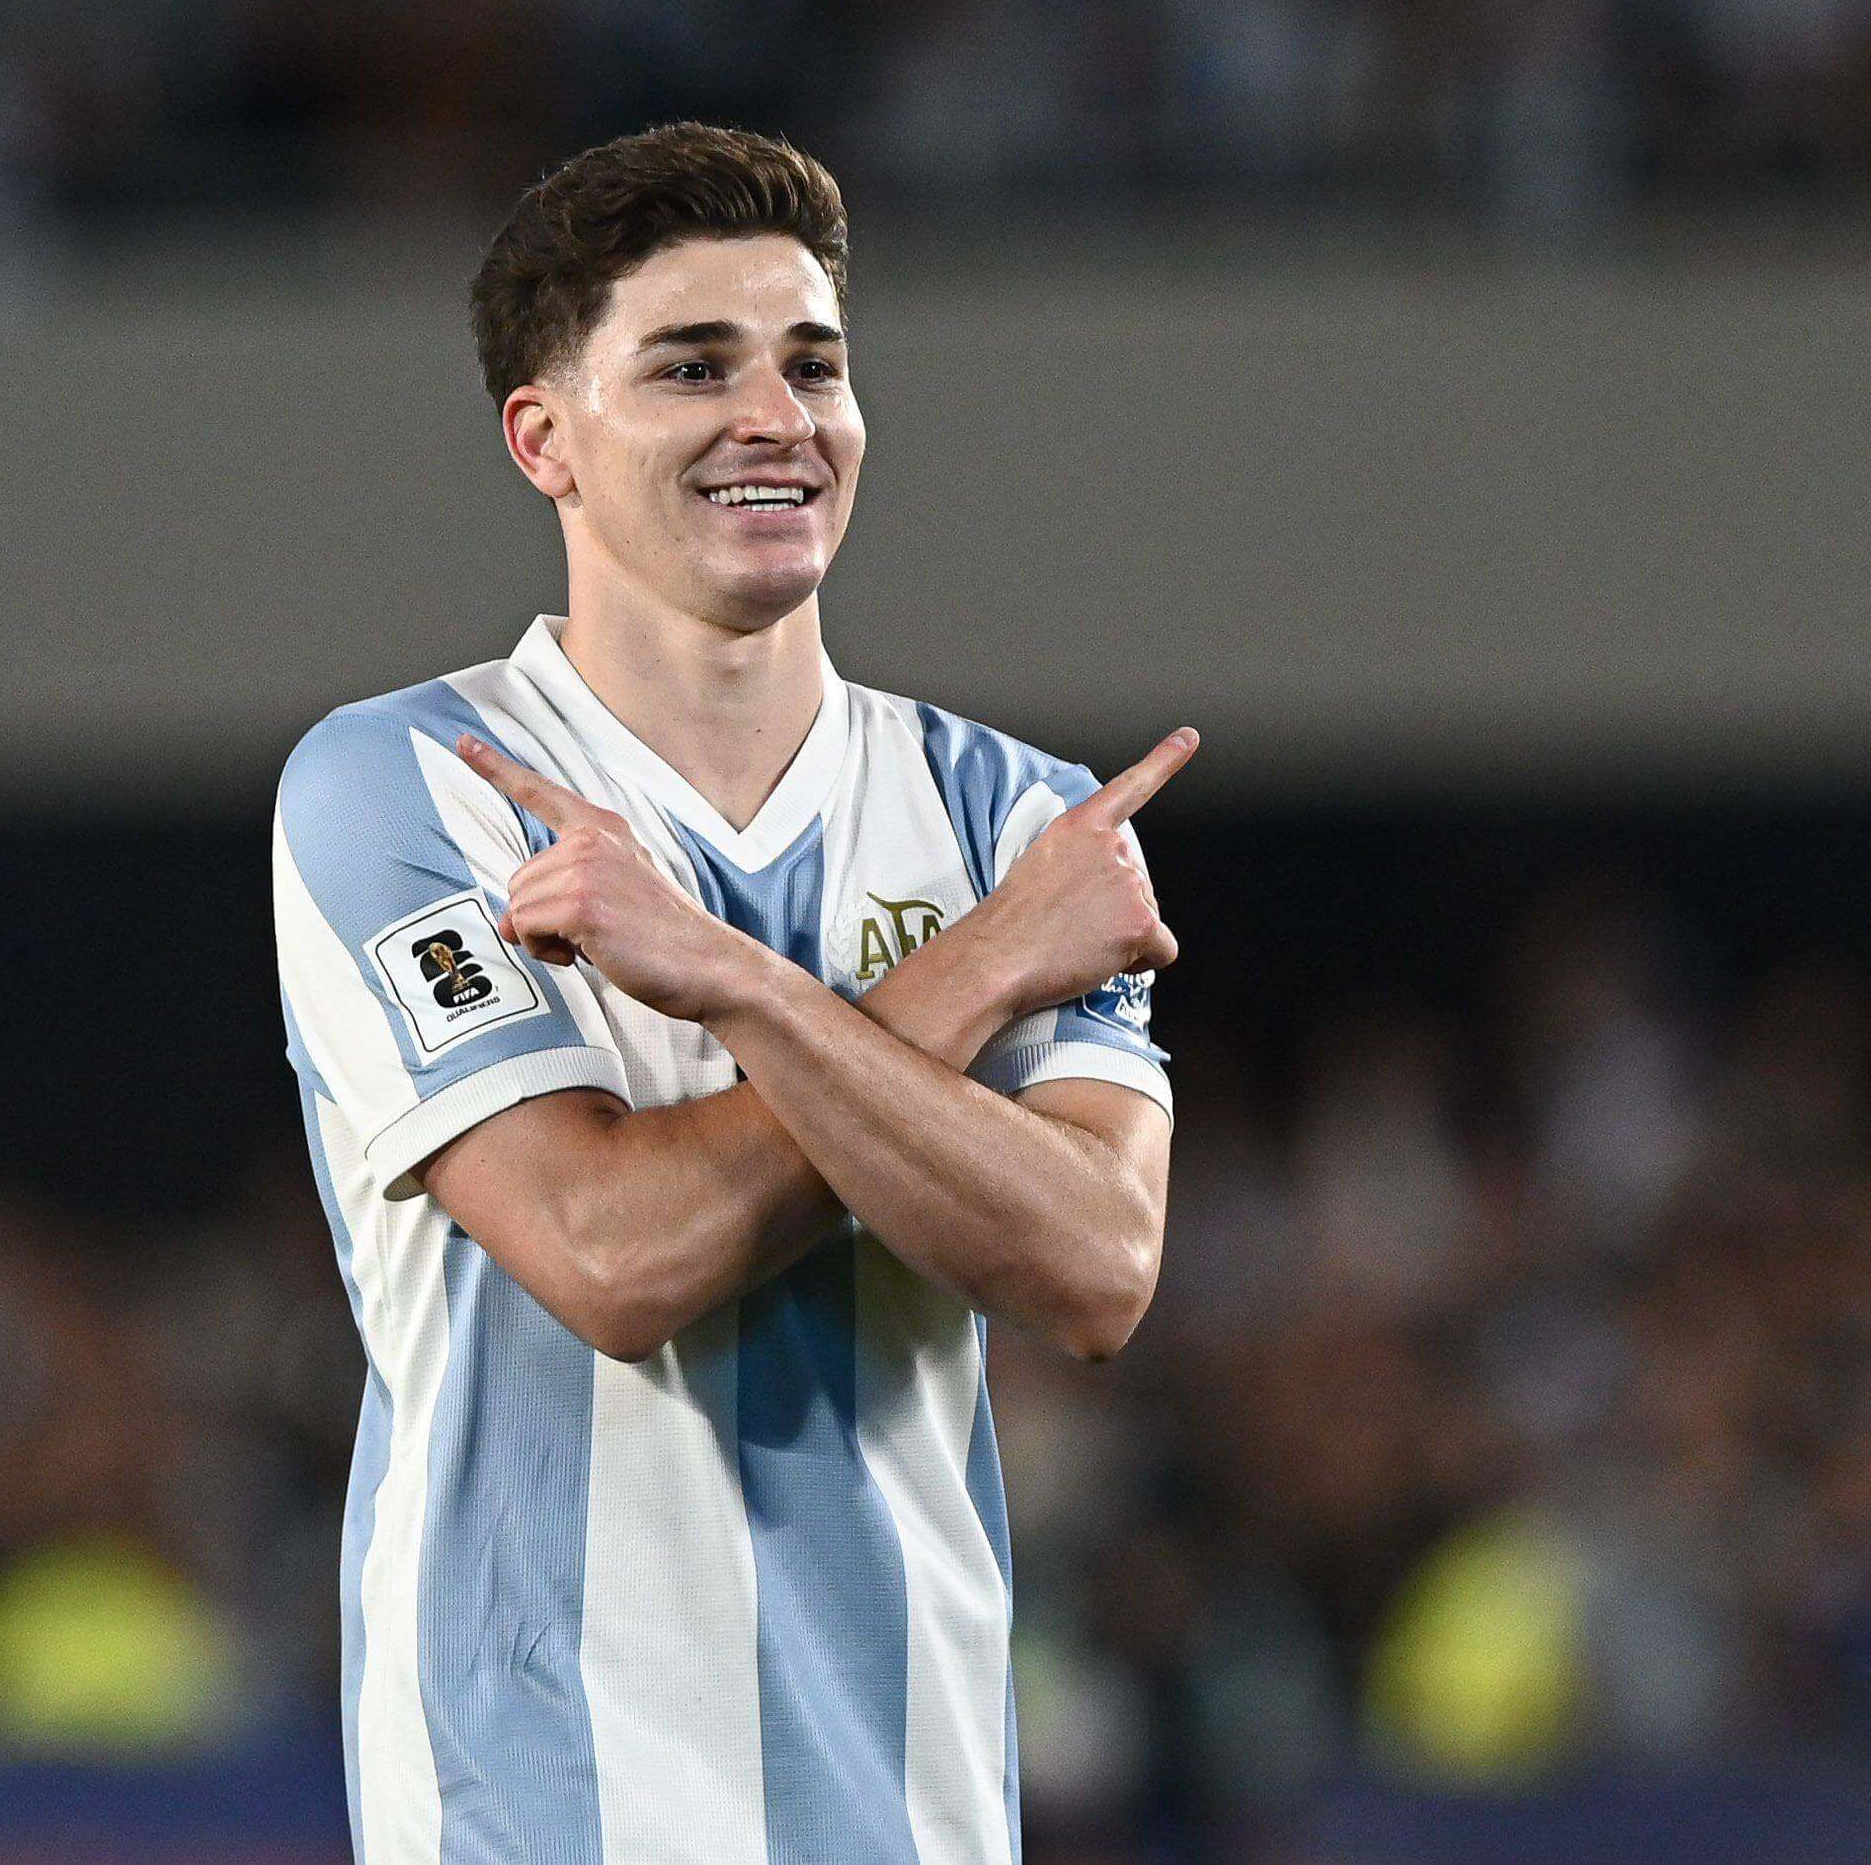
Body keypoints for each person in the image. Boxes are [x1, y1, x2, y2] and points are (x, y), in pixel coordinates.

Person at [271, 121, 1193, 1862]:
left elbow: (1094, 1265)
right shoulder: (407, 786)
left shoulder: (1012, 810)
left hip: (912, 1817)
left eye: (814, 365)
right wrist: (982, 965)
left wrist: (737, 990)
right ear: (545, 437)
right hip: (538, 1817)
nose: (776, 416)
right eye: (694, 367)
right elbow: (613, 1258)